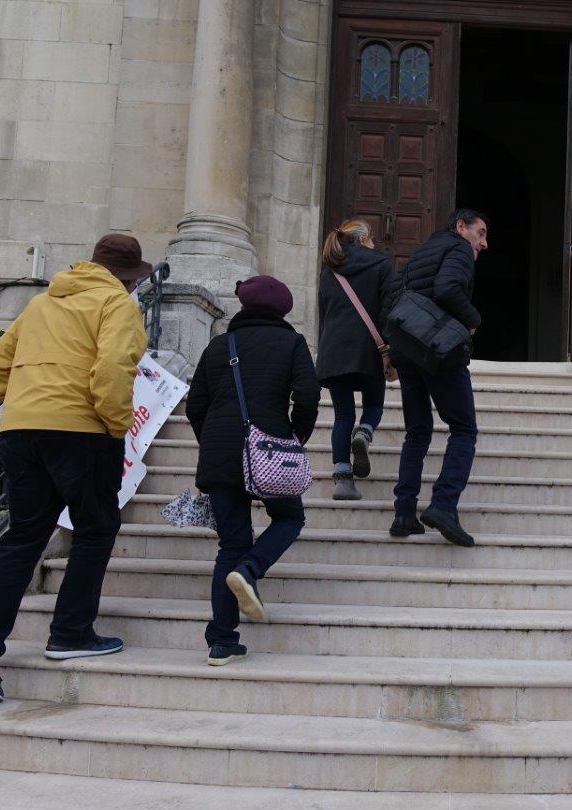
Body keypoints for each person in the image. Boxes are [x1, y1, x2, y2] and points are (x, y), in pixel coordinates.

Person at [0, 233, 150, 704]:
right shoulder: (116, 304)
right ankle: (70, 633)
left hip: (20, 428)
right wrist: (116, 426)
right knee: (96, 528)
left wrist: (14, 401)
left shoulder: (43, 302)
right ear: (126, 277)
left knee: (22, 537)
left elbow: (0, 359)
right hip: (81, 430)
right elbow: (113, 369)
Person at [186, 275, 320, 666]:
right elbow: (308, 396)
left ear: (243, 305)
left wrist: (212, 443)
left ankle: (222, 642)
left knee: (230, 544)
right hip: (270, 448)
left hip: (220, 453)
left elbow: (196, 407)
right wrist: (295, 435)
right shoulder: (292, 343)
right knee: (289, 518)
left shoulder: (218, 345)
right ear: (283, 310)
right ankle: (252, 568)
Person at [385, 208, 488, 547]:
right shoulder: (459, 248)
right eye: (481, 233)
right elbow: (447, 289)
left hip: (407, 346)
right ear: (461, 226)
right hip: (437, 348)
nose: (484, 243)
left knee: (417, 431)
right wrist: (473, 321)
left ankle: (403, 514)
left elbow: (393, 297)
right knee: (464, 428)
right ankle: (444, 505)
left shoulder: (422, 251)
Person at [316, 220, 396, 501]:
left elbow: (324, 312)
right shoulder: (381, 264)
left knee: (342, 415)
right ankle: (364, 432)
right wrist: (390, 350)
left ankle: (342, 479)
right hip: (369, 349)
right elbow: (389, 309)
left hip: (334, 351)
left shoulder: (329, 271)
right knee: (373, 405)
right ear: (363, 240)